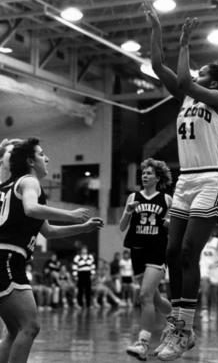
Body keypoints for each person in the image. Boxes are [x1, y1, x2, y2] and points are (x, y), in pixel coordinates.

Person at [144, 0, 218, 360]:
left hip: (211, 180)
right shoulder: (186, 97)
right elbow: (156, 66)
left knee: (187, 252)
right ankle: (179, 329)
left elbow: (182, 79)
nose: (198, 73)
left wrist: (184, 42)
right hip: (185, 181)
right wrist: (157, 31)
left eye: (203, 70)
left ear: (213, 80)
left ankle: (184, 328)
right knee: (170, 253)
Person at [0, 137, 104, 363]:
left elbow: (47, 232)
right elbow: (31, 208)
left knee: (14, 331)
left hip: (7, 258)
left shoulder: (8, 185)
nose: (47, 158)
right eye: (41, 154)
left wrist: (82, 227)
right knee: (30, 326)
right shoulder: (29, 181)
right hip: (7, 258)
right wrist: (71, 214)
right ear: (30, 161)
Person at [120, 157, 172, 360]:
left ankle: (143, 343)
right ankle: (177, 320)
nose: (145, 175)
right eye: (143, 173)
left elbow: (175, 227)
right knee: (155, 299)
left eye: (149, 173)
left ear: (158, 177)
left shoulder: (167, 199)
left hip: (156, 251)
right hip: (137, 251)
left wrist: (169, 224)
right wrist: (128, 211)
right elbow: (122, 226)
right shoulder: (133, 196)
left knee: (144, 297)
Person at [199, 234, 218, 323]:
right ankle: (205, 312)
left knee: (214, 293)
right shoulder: (200, 240)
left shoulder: (216, 241)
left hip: (215, 268)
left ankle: (213, 311)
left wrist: (214, 262)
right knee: (204, 291)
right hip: (204, 267)